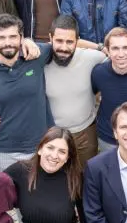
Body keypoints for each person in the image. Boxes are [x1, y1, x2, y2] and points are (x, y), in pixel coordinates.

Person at [0, 15, 53, 172]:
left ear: (21, 38)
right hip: (5, 148)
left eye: (12, 36)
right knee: (9, 194)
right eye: (1, 38)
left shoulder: (37, 54)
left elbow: (63, 44)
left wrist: (101, 48)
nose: (8, 42)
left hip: (40, 145)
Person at [44, 16, 107, 172]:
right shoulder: (39, 59)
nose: (64, 47)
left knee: (86, 177)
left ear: (77, 41)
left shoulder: (90, 58)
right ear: (50, 38)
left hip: (84, 133)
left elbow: (121, 58)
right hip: (52, 134)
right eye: (59, 41)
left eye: (70, 42)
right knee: (57, 178)